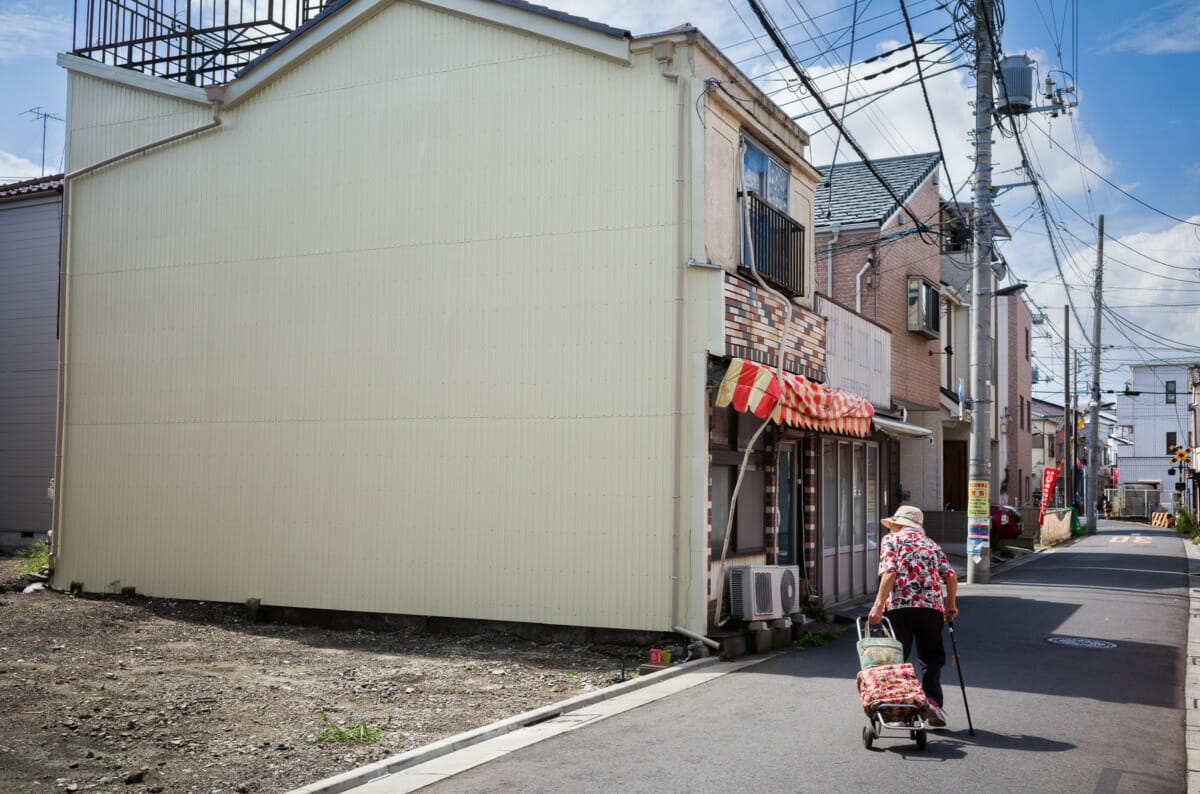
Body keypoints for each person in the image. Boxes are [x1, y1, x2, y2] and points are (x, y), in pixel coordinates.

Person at [867, 505, 958, 727]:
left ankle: (901, 711)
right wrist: (950, 605)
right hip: (931, 608)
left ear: (899, 524)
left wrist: (878, 606)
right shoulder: (932, 545)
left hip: (900, 606)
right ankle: (933, 701)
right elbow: (951, 576)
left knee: (897, 659)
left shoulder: (892, 541)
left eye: (893, 524)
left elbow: (890, 571)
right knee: (931, 657)